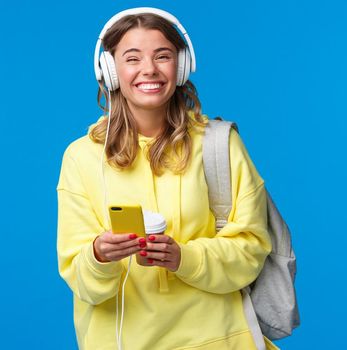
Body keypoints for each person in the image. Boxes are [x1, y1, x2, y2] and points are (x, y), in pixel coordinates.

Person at [56, 8, 278, 350]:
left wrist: (183, 259)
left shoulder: (218, 145)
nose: (150, 70)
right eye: (132, 58)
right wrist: (99, 255)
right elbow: (82, 281)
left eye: (163, 56)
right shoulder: (81, 158)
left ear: (182, 65)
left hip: (222, 340)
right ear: (110, 70)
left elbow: (252, 248)